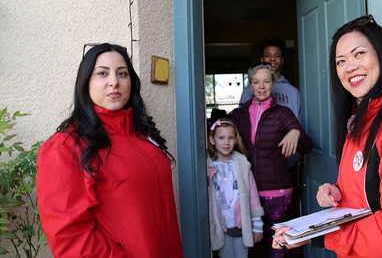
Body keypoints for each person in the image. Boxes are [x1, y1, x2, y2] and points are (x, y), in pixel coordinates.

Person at [272, 15, 382, 257]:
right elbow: (370, 190)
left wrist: (319, 234)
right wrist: (338, 191)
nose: (349, 67)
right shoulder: (362, 116)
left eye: (359, 53)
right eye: (340, 61)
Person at [36, 43, 183, 257]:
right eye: (102, 73)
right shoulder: (64, 147)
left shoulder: (143, 136)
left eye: (122, 73)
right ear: (86, 82)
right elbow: (70, 238)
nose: (114, 82)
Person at [232, 63, 314, 258]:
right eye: (256, 82)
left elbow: (307, 146)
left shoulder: (283, 113)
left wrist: (296, 132)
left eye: (266, 81)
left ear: (273, 83)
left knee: (276, 244)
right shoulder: (238, 115)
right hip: (246, 189)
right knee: (250, 243)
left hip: (277, 191)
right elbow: (223, 141)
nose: (261, 87)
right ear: (250, 85)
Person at [207, 118, 264, 258]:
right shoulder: (208, 167)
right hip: (221, 226)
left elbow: (253, 197)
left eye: (230, 138)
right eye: (221, 138)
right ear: (212, 140)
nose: (226, 142)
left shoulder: (242, 165)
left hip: (240, 225)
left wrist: (257, 225)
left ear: (236, 140)